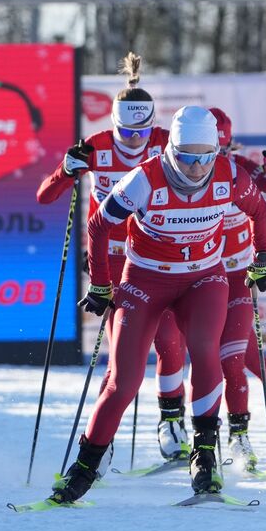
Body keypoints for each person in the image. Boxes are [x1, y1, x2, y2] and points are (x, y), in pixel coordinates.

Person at [50, 107, 266, 504]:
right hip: (145, 281)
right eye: (187, 157)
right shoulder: (145, 179)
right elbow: (100, 226)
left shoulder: (228, 175)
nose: (196, 167)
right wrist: (102, 284)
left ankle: (205, 457)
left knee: (206, 352)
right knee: (125, 381)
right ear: (172, 149)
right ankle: (84, 468)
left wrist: (263, 259)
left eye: (205, 156)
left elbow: (260, 211)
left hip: (203, 278)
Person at [151, 108, 266, 470]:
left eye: (218, 153)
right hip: (198, 278)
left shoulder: (240, 170)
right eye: (203, 154)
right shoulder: (177, 173)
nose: (204, 166)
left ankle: (240, 440)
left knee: (233, 359)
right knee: (217, 353)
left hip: (236, 276)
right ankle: (177, 427)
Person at [35, 53, 167, 479]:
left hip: (155, 258)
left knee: (170, 344)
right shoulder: (95, 145)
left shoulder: (167, 141)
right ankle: (97, 443)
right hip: (110, 262)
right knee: (119, 360)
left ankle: (174, 427)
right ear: (113, 125)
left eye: (142, 132)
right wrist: (65, 170)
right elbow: (44, 197)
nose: (134, 141)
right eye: (126, 132)